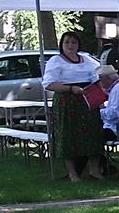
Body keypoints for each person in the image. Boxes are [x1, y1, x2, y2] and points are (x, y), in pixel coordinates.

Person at [41, 30, 108, 182]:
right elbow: (49, 84)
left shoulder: (87, 60)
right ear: (62, 44)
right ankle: (73, 173)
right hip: (67, 101)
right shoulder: (56, 61)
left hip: (88, 99)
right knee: (68, 135)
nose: (70, 45)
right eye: (67, 42)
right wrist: (70, 88)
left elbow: (97, 78)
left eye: (73, 42)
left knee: (93, 133)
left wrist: (100, 96)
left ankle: (94, 170)